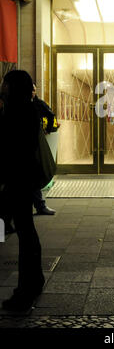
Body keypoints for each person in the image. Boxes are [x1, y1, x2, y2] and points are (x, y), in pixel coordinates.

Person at [0, 70, 45, 312]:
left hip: (17, 178)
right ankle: (32, 282)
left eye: (5, 83)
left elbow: (11, 145)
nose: (2, 87)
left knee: (25, 232)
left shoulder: (18, 111)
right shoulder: (26, 109)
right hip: (22, 177)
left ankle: (26, 288)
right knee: (26, 231)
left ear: (13, 87)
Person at [32, 84, 57, 215]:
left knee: (32, 176)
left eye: (34, 90)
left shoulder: (37, 104)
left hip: (33, 146)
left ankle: (40, 205)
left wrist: (47, 130)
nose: (32, 93)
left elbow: (50, 114)